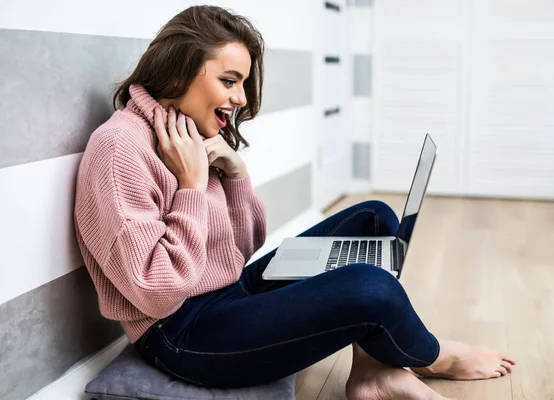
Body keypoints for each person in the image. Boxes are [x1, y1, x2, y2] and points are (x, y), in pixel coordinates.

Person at [73, 5, 516, 400]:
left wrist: (235, 176)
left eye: (242, 83)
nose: (241, 99)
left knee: (374, 219)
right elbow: (155, 292)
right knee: (372, 288)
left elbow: (243, 247)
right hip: (179, 333)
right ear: (176, 74)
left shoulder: (190, 135)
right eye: (229, 81)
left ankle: (373, 370)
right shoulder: (120, 149)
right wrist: (190, 188)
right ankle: (430, 355)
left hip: (229, 292)